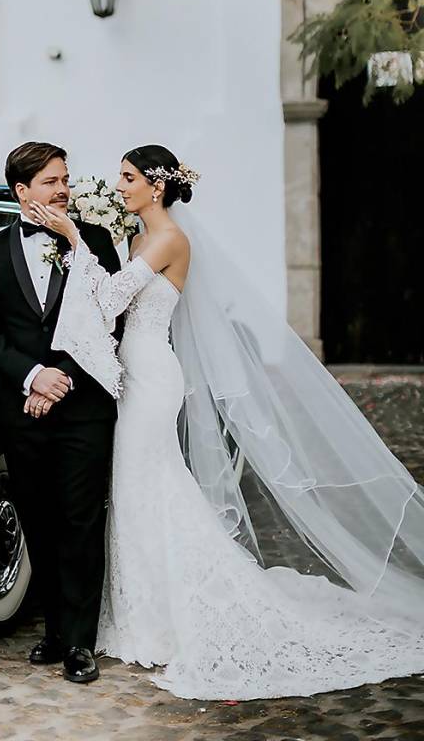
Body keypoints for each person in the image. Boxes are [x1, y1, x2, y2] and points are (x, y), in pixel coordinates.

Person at [27, 143, 424, 700]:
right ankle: (142, 615)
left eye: (127, 177)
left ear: (156, 186)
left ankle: (176, 616)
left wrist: (73, 237)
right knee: (134, 488)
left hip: (153, 379)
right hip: (131, 376)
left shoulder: (168, 239)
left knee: (151, 483)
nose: (119, 187)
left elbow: (112, 300)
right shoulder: (139, 238)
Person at [0, 141, 121, 683]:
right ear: (22, 191)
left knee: (81, 520)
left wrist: (60, 379)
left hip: (84, 407)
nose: (63, 189)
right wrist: (33, 377)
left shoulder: (96, 241)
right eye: (52, 181)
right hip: (22, 408)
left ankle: (81, 643)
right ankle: (54, 631)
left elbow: (108, 318)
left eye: (65, 179)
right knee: (39, 519)